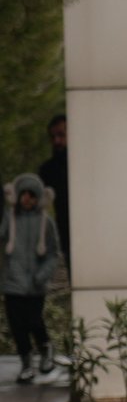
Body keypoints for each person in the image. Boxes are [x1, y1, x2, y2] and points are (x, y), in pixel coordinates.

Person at [1, 173, 61, 382]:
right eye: (23, 194)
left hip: (36, 284)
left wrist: (43, 274)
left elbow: (53, 253)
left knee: (34, 321)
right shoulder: (10, 219)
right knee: (17, 325)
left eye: (31, 195)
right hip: (13, 283)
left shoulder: (46, 222)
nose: (27, 199)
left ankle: (46, 348)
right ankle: (26, 362)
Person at [37, 114, 70, 278]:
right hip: (65, 232)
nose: (56, 141)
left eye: (61, 135)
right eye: (53, 136)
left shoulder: (84, 164)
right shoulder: (48, 170)